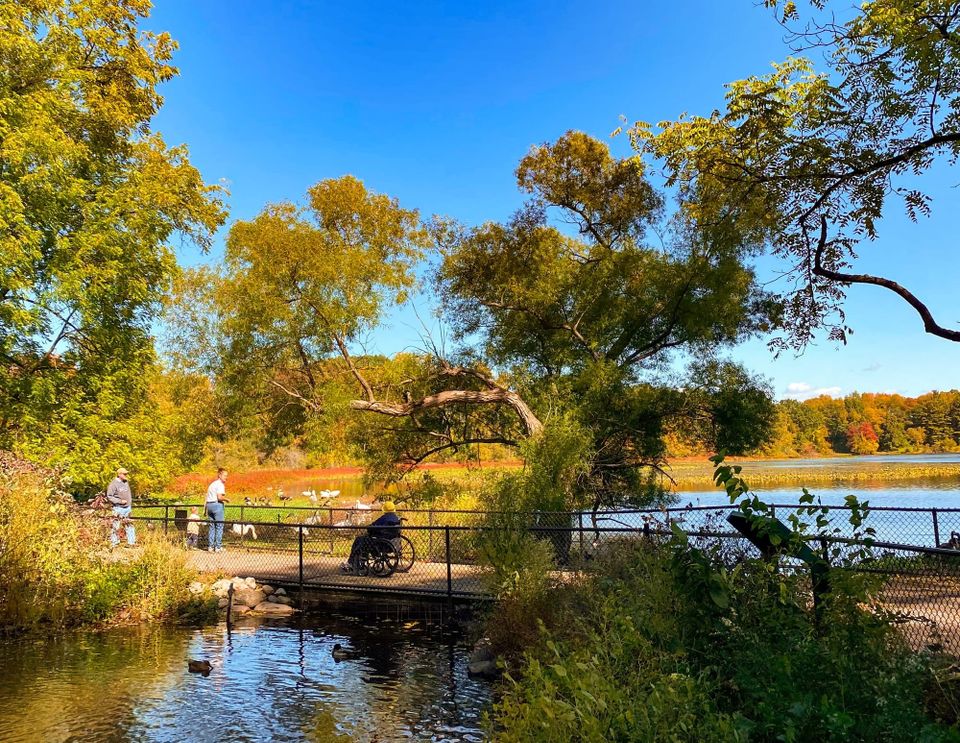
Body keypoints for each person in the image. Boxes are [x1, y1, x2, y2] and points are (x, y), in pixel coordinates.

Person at [341, 501, 401, 573]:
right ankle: (354, 562)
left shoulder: (384, 518)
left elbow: (373, 526)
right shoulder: (395, 518)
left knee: (359, 540)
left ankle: (351, 562)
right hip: (391, 541)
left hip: (381, 542)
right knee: (361, 539)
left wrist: (370, 528)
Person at [106, 467, 135, 548]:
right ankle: (114, 543)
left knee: (129, 524)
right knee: (115, 525)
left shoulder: (126, 482)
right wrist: (120, 501)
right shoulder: (113, 484)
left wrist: (129, 503)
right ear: (119, 474)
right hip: (118, 508)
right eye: (124, 474)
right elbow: (109, 496)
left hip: (127, 508)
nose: (126, 475)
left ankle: (131, 543)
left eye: (126, 474)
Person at [205, 468, 229, 553]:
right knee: (219, 526)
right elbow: (219, 497)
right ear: (220, 475)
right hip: (217, 505)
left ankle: (210, 547)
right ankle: (218, 547)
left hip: (209, 505)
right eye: (225, 475)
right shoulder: (220, 485)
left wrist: (205, 509)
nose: (226, 477)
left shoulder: (212, 484)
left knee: (212, 527)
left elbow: (206, 497)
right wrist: (226, 499)